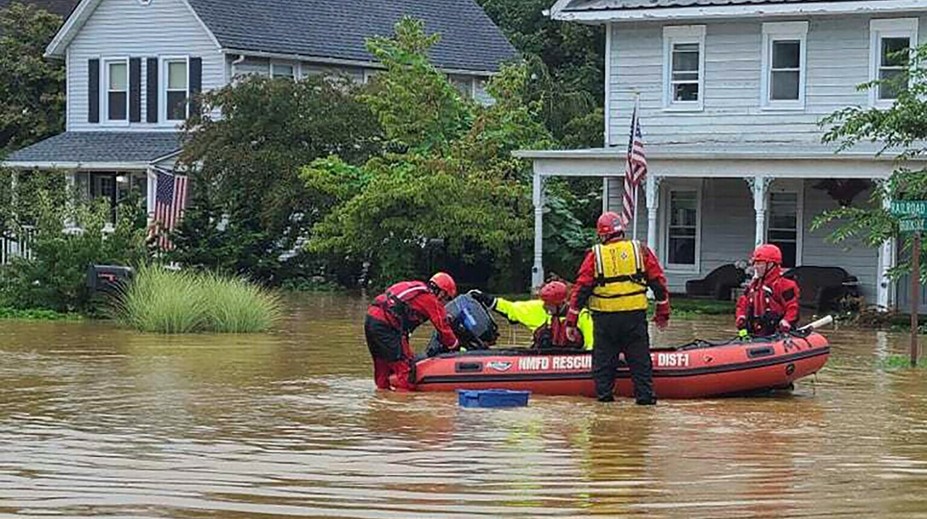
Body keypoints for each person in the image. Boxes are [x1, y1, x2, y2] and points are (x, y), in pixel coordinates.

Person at [565, 211, 670, 405]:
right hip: (634, 317)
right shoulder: (640, 250)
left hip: (605, 320)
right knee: (640, 363)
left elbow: (582, 289)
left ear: (603, 234)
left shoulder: (595, 255)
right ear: (621, 230)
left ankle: (605, 403)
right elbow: (658, 283)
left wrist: (571, 321)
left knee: (603, 364)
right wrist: (663, 313)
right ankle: (645, 400)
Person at [365, 272, 460, 391]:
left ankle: (382, 402)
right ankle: (403, 406)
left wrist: (408, 354)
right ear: (441, 292)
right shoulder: (429, 298)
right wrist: (455, 345)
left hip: (371, 320)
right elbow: (442, 326)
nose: (444, 302)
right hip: (386, 325)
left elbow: (402, 328)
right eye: (446, 298)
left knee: (383, 368)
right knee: (406, 373)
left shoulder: (416, 288)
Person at [469, 280, 593, 349]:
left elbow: (592, 345)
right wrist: (486, 298)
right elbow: (511, 309)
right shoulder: (539, 308)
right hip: (542, 360)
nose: (545, 306)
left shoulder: (582, 316)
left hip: (569, 362)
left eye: (548, 304)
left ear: (561, 304)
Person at [736, 244, 800, 337]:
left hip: (777, 334)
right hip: (754, 332)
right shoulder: (753, 286)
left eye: (759, 263)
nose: (756, 267)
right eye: (755, 263)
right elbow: (742, 304)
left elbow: (793, 307)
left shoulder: (785, 285)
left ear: (771, 264)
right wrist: (741, 317)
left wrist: (786, 322)